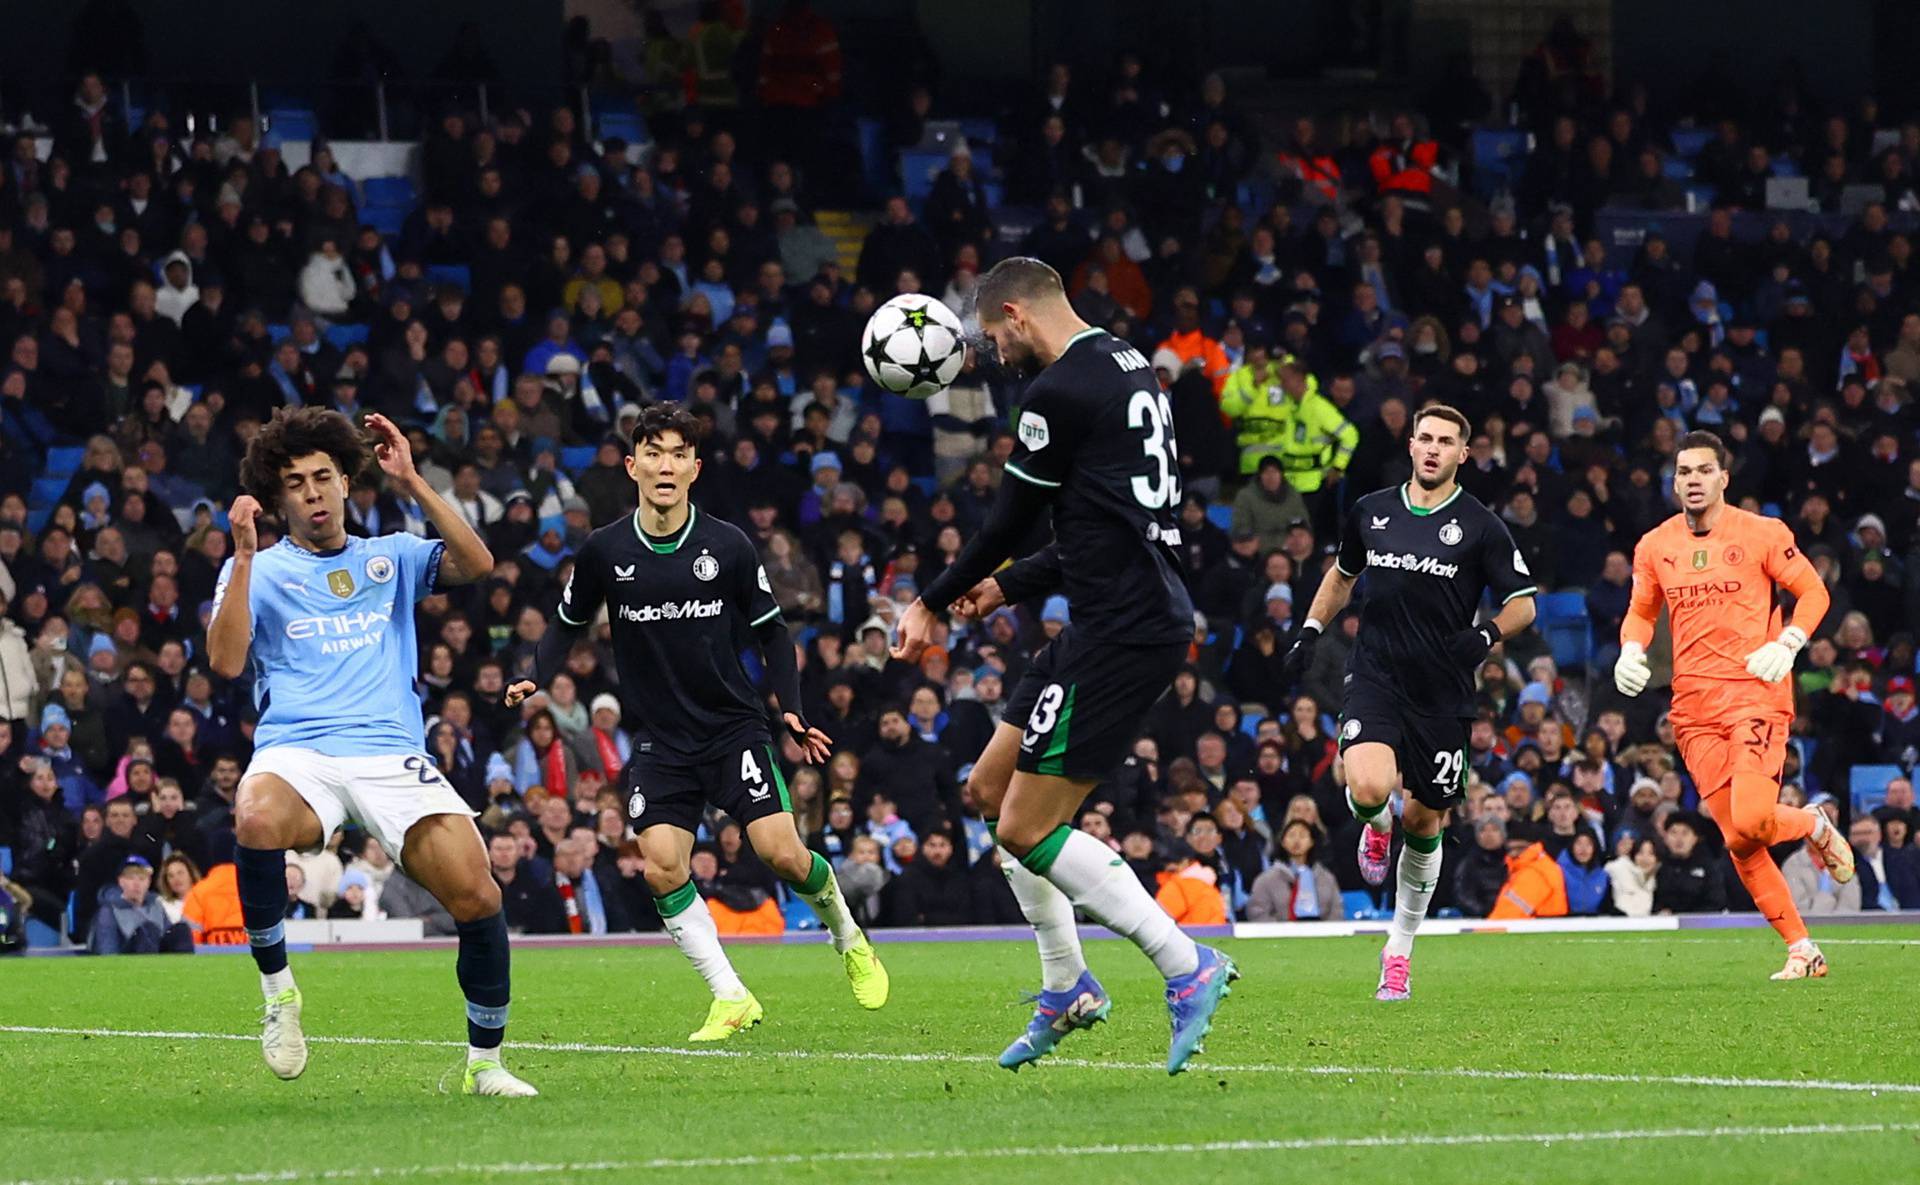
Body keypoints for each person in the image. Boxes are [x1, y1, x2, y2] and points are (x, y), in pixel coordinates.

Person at [892, 257, 1236, 1075]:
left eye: (990, 335)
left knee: (1025, 825)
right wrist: (1005, 590)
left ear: (1015, 313)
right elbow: (1099, 526)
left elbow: (1008, 520)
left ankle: (1186, 965)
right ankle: (1066, 984)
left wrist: (930, 600)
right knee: (986, 789)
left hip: (1122, 629)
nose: (991, 351)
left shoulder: (1057, 393)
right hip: (1114, 612)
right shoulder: (1128, 365)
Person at [507, 403, 887, 1042]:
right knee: (660, 864)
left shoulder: (728, 545)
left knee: (783, 856)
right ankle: (730, 995)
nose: (665, 464)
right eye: (652, 452)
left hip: (733, 728)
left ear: (694, 468)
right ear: (632, 467)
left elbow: (773, 633)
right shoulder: (604, 549)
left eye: (677, 453)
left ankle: (849, 936)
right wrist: (536, 673)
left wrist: (789, 704)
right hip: (661, 739)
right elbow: (567, 622)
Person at [205, 407, 536, 1096]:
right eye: (295, 482)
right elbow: (227, 660)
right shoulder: (258, 570)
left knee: (477, 893)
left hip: (390, 753)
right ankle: (279, 995)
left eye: (323, 475)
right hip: (300, 750)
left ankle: (486, 1065)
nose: (313, 492)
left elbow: (478, 562)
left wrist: (413, 480)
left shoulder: (390, 555)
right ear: (278, 497)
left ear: (347, 479)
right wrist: (239, 556)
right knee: (256, 816)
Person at [1281, 405, 1537, 1000]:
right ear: (1411, 443)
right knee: (1370, 787)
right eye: (1424, 437)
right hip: (1375, 675)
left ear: (1461, 455)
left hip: (1443, 693)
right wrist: (1312, 629)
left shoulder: (1480, 525)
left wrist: (1485, 635)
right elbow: (1342, 576)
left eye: (1446, 441)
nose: (1432, 448)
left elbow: (1524, 602)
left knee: (1425, 824)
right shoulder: (1371, 511)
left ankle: (1399, 949)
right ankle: (1374, 824)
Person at [1613, 430, 1853, 980]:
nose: (1692, 481)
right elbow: (1642, 611)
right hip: (1692, 707)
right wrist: (1631, 649)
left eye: (1703, 471)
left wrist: (1789, 643)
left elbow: (1814, 592)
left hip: (1754, 691)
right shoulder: (1656, 545)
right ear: (1674, 482)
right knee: (1740, 840)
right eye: (1683, 472)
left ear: (1724, 478)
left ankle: (1813, 825)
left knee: (1751, 818)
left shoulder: (1763, 532)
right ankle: (1802, 949)